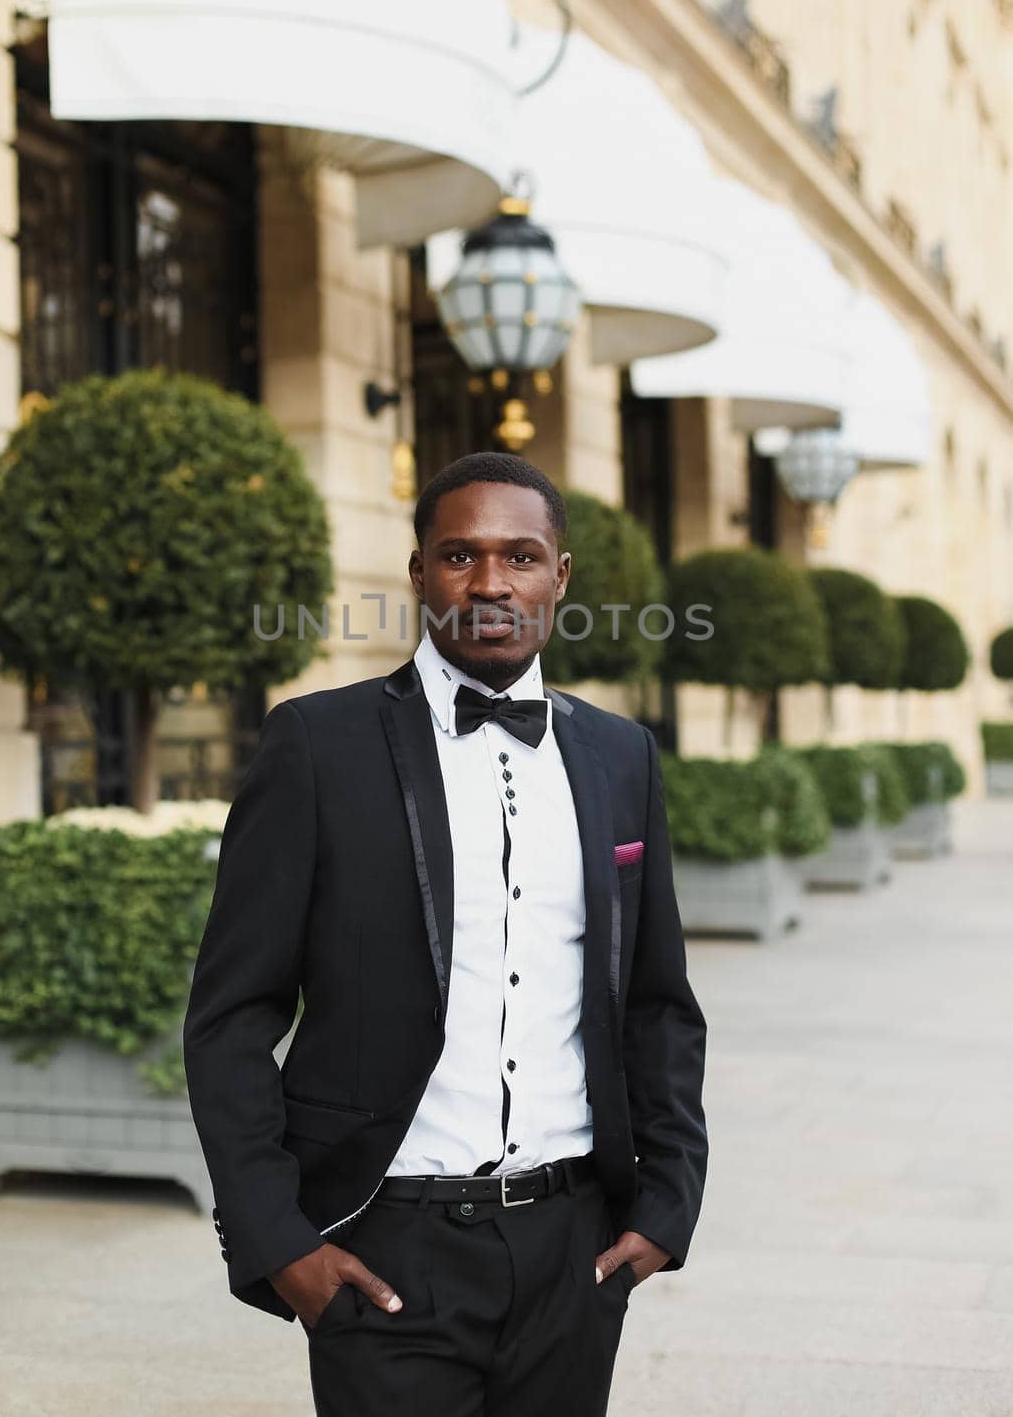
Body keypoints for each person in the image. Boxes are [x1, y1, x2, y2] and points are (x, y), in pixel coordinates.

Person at [183, 451, 707, 1416]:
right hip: (386, 1244)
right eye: (460, 555)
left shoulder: (619, 754)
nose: (491, 582)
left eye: (520, 556)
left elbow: (657, 1000)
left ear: (560, 576)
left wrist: (668, 1203)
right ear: (419, 572)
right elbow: (229, 1016)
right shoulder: (315, 745)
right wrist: (279, 1239)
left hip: (574, 1250)